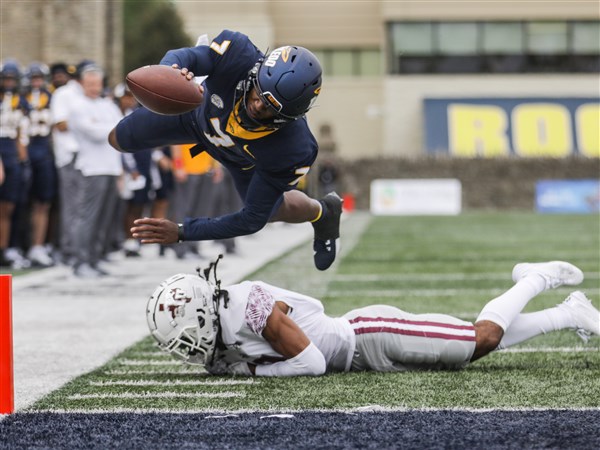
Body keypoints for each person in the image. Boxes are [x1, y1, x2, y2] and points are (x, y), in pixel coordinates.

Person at [109, 30, 342, 271]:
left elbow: (251, 220)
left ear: (290, 117)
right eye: (258, 93)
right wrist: (172, 73)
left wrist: (183, 232)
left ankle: (322, 212)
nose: (258, 105)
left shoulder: (294, 147)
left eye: (270, 109)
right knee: (118, 139)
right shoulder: (237, 54)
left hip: (244, 161)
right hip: (194, 119)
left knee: (273, 210)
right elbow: (185, 56)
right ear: (255, 73)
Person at [147, 260, 599, 376]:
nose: (187, 348)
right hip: (361, 354)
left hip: (371, 335)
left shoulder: (252, 308)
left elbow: (310, 365)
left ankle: (536, 279)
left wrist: (247, 370)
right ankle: (567, 314)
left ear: (203, 313)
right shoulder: (224, 320)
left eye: (185, 337)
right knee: (468, 351)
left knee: (479, 340)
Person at [69, 65, 123, 277]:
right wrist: (110, 128)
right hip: (91, 168)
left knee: (104, 217)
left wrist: (108, 127)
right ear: (82, 84)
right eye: (89, 83)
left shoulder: (107, 105)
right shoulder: (78, 106)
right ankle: (80, 261)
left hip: (110, 167)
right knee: (87, 217)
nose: (93, 87)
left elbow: (121, 127)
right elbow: (95, 133)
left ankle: (95, 258)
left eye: (97, 83)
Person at [24, 62, 56, 267]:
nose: (36, 81)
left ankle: (38, 245)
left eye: (39, 78)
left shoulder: (53, 98)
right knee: (18, 203)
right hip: (24, 151)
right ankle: (18, 245)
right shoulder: (18, 99)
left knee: (43, 201)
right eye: (33, 78)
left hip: (44, 151)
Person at [0, 59, 30, 268]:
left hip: (12, 150)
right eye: (6, 78)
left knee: (10, 206)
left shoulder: (20, 102)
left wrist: (23, 159)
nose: (9, 82)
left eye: (12, 78)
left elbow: (21, 133)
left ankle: (6, 248)